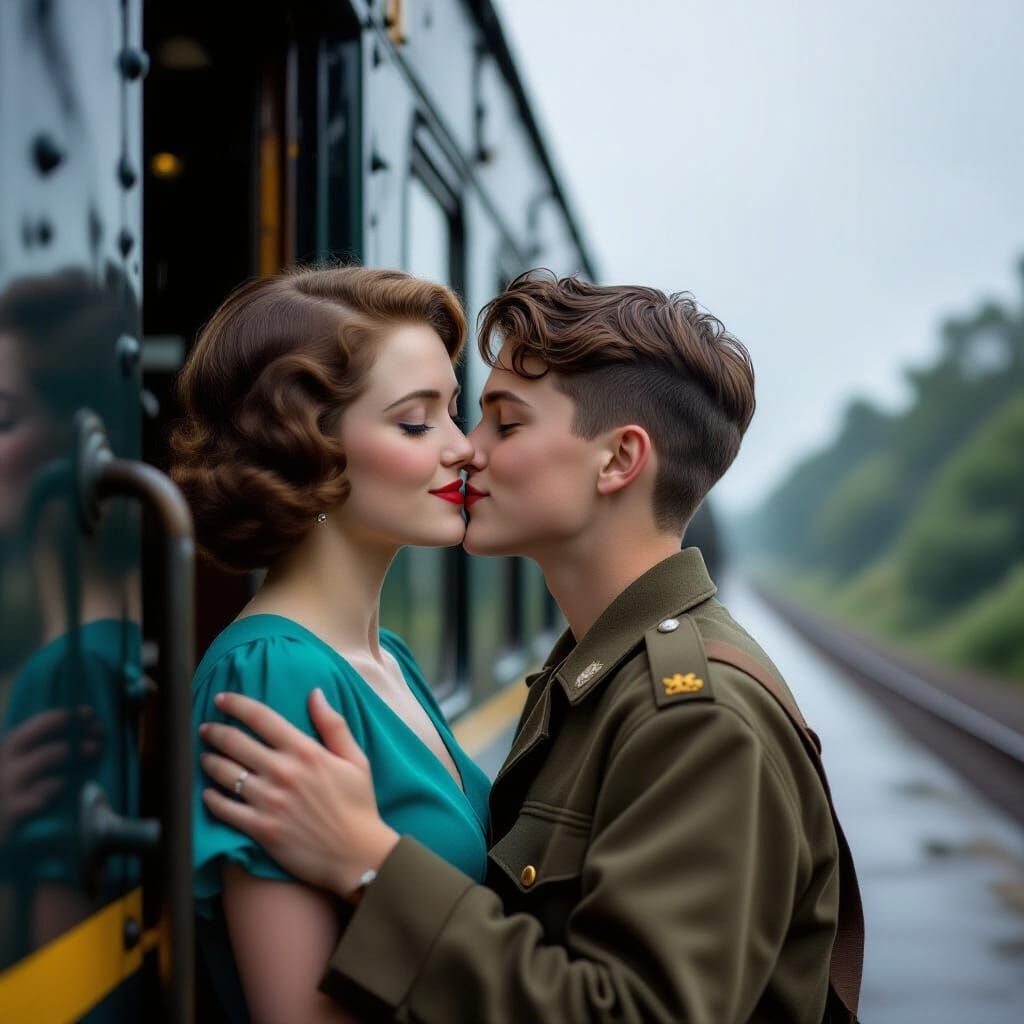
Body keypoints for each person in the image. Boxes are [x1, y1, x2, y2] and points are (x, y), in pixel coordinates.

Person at [199, 271, 863, 1023]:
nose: (466, 450)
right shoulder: (591, 676)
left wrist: (370, 863)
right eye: (422, 423)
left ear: (618, 460)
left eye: (503, 424)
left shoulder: (690, 712)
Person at [168, 267, 491, 1024]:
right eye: (416, 424)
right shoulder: (271, 674)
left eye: (454, 412)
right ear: (307, 449)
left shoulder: (391, 661)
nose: (464, 449)